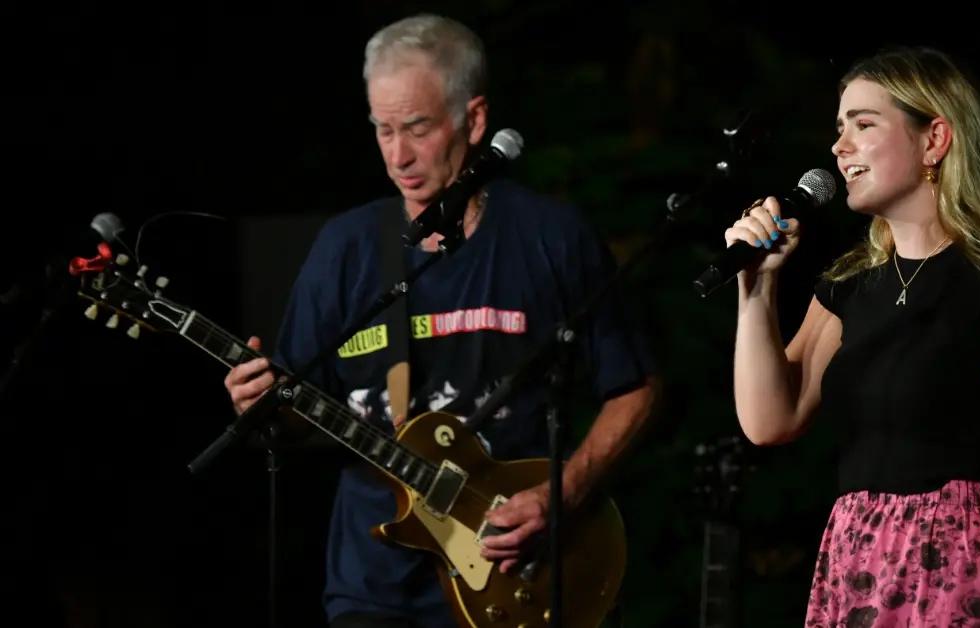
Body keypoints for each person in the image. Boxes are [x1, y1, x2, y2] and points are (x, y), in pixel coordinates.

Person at [223, 14, 656, 628]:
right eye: (383, 130)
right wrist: (256, 403)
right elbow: (291, 410)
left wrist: (564, 492)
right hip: (375, 588)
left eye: (418, 129)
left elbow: (634, 387)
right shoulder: (345, 249)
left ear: (474, 120)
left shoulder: (550, 236)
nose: (398, 155)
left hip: (518, 572)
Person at [724, 47, 980, 627]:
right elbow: (769, 421)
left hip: (954, 555)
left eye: (863, 124)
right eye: (839, 129)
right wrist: (755, 293)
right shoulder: (849, 289)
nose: (839, 148)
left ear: (934, 139)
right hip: (858, 558)